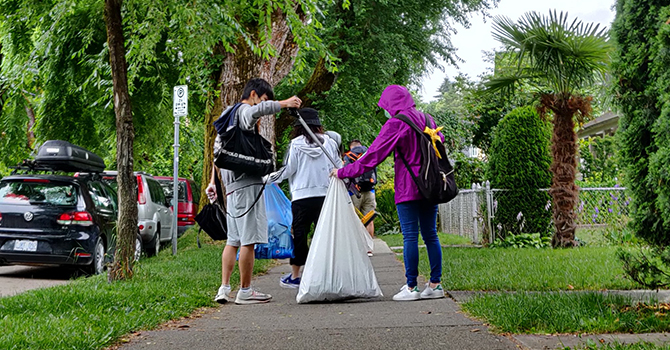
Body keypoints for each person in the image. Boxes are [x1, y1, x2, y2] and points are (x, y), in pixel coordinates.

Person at [334, 85, 445, 302]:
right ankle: (435, 284)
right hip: (431, 185)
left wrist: (343, 172)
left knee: (410, 236)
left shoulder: (396, 123)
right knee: (431, 234)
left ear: (391, 104)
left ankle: (411, 286)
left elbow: (373, 156)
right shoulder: (428, 120)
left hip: (409, 186)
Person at [206, 78, 301, 305]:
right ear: (254, 94)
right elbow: (253, 113)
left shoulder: (226, 117)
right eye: (264, 100)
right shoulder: (244, 111)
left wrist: (213, 182)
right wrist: (284, 103)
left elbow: (217, 155)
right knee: (248, 241)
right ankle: (246, 290)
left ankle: (224, 288)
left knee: (233, 240)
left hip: (231, 189)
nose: (263, 105)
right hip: (247, 187)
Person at [264, 108, 339, 289]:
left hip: (301, 197)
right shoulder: (329, 143)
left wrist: (268, 179)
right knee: (324, 235)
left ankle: (296, 276)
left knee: (300, 235)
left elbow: (289, 169)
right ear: (318, 124)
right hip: (325, 195)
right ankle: (324, 274)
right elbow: (337, 165)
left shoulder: (296, 144)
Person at [343, 139, 378, 254]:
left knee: (355, 220)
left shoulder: (349, 156)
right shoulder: (369, 153)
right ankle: (369, 249)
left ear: (351, 146)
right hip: (370, 191)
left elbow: (346, 173)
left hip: (354, 193)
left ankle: (357, 249)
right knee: (369, 220)